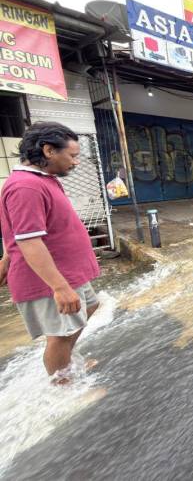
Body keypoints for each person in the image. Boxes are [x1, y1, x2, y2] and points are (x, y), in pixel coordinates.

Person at [0, 122, 101, 384]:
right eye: (72, 155)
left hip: (68, 273)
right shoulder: (26, 187)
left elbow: (18, 232)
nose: (76, 162)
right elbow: (29, 241)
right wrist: (59, 287)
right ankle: (64, 387)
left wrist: (6, 259)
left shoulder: (43, 180)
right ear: (48, 150)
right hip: (50, 278)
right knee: (60, 335)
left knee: (89, 307)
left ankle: (67, 363)